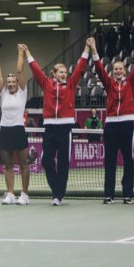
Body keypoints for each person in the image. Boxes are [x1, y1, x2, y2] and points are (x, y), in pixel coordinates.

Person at [24, 40, 91, 206]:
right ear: (53, 74)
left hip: (65, 127)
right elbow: (36, 70)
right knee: (46, 160)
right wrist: (27, 53)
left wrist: (87, 48)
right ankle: (56, 189)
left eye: (64, 72)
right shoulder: (47, 84)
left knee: (63, 163)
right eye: (59, 72)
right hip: (49, 127)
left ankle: (58, 195)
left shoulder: (70, 84)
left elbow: (80, 67)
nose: (63, 74)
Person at [91, 35, 134, 204]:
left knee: (128, 160)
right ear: (112, 71)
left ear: (125, 70)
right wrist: (93, 49)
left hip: (127, 124)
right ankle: (109, 194)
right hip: (111, 125)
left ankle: (127, 193)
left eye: (120, 68)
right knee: (110, 160)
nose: (118, 71)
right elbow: (99, 68)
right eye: (115, 69)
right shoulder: (109, 83)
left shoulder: (131, 82)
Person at [0, 44, 30, 205]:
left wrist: (21, 53)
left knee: (23, 165)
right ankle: (10, 194)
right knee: (8, 165)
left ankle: (25, 195)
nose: (11, 83)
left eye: (13, 81)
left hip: (18, 130)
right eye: (9, 81)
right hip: (5, 130)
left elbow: (20, 71)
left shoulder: (22, 91)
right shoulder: (4, 92)